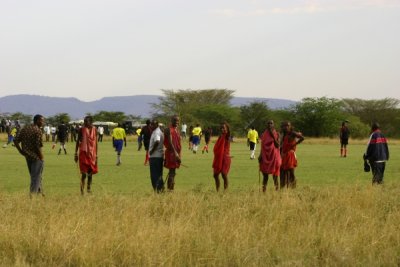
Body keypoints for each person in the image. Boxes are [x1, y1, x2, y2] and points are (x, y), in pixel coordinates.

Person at [13, 114, 45, 196]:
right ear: (37, 121)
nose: (43, 122)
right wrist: (41, 157)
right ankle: (32, 195)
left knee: (35, 176)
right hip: (36, 157)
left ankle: (40, 193)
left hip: (27, 156)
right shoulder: (38, 131)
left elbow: (16, 141)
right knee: (36, 177)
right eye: (42, 120)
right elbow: (37, 146)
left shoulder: (25, 128)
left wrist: (20, 151)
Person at [74, 116, 98, 194]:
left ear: (90, 122)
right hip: (83, 153)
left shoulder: (95, 129)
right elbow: (78, 141)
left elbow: (96, 143)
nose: (84, 123)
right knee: (84, 174)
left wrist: (97, 154)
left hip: (92, 154)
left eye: (86, 122)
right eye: (84, 122)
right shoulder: (82, 129)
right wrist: (75, 153)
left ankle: (88, 188)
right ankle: (82, 191)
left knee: (90, 173)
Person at [258, 120, 281, 192]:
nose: (270, 124)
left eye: (271, 123)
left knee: (275, 176)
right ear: (266, 125)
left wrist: (273, 136)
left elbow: (278, 145)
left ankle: (277, 191)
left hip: (274, 156)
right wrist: (260, 155)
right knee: (265, 176)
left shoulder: (277, 134)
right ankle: (263, 192)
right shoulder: (264, 134)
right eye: (268, 123)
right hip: (265, 156)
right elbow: (262, 145)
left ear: (274, 125)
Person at [280, 121, 304, 188]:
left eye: (287, 125)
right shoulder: (284, 134)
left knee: (291, 172)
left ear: (290, 126)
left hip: (290, 154)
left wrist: (295, 143)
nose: (286, 127)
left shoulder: (292, 133)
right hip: (284, 155)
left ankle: (293, 187)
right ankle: (283, 187)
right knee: (283, 172)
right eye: (284, 126)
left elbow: (302, 138)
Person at [164, 115, 181, 191]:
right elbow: (170, 142)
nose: (177, 122)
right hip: (171, 153)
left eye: (178, 121)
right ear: (171, 120)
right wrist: (176, 154)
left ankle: (171, 189)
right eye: (175, 120)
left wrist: (178, 154)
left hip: (175, 153)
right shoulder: (168, 129)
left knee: (173, 172)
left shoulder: (176, 129)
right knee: (171, 171)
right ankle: (170, 190)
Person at [212, 122, 231, 191]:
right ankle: (218, 190)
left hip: (225, 158)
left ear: (227, 129)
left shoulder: (227, 136)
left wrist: (226, 132)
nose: (222, 129)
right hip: (219, 157)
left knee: (224, 174)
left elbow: (227, 134)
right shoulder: (221, 136)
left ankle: (225, 191)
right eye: (221, 128)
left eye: (224, 128)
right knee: (215, 175)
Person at [148, 119, 165, 192]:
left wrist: (152, 151)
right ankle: (160, 189)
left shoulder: (157, 132)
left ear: (157, 125)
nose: (151, 126)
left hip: (155, 156)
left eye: (153, 124)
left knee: (155, 175)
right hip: (157, 156)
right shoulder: (157, 131)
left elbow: (157, 141)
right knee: (158, 174)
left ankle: (158, 190)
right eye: (151, 124)